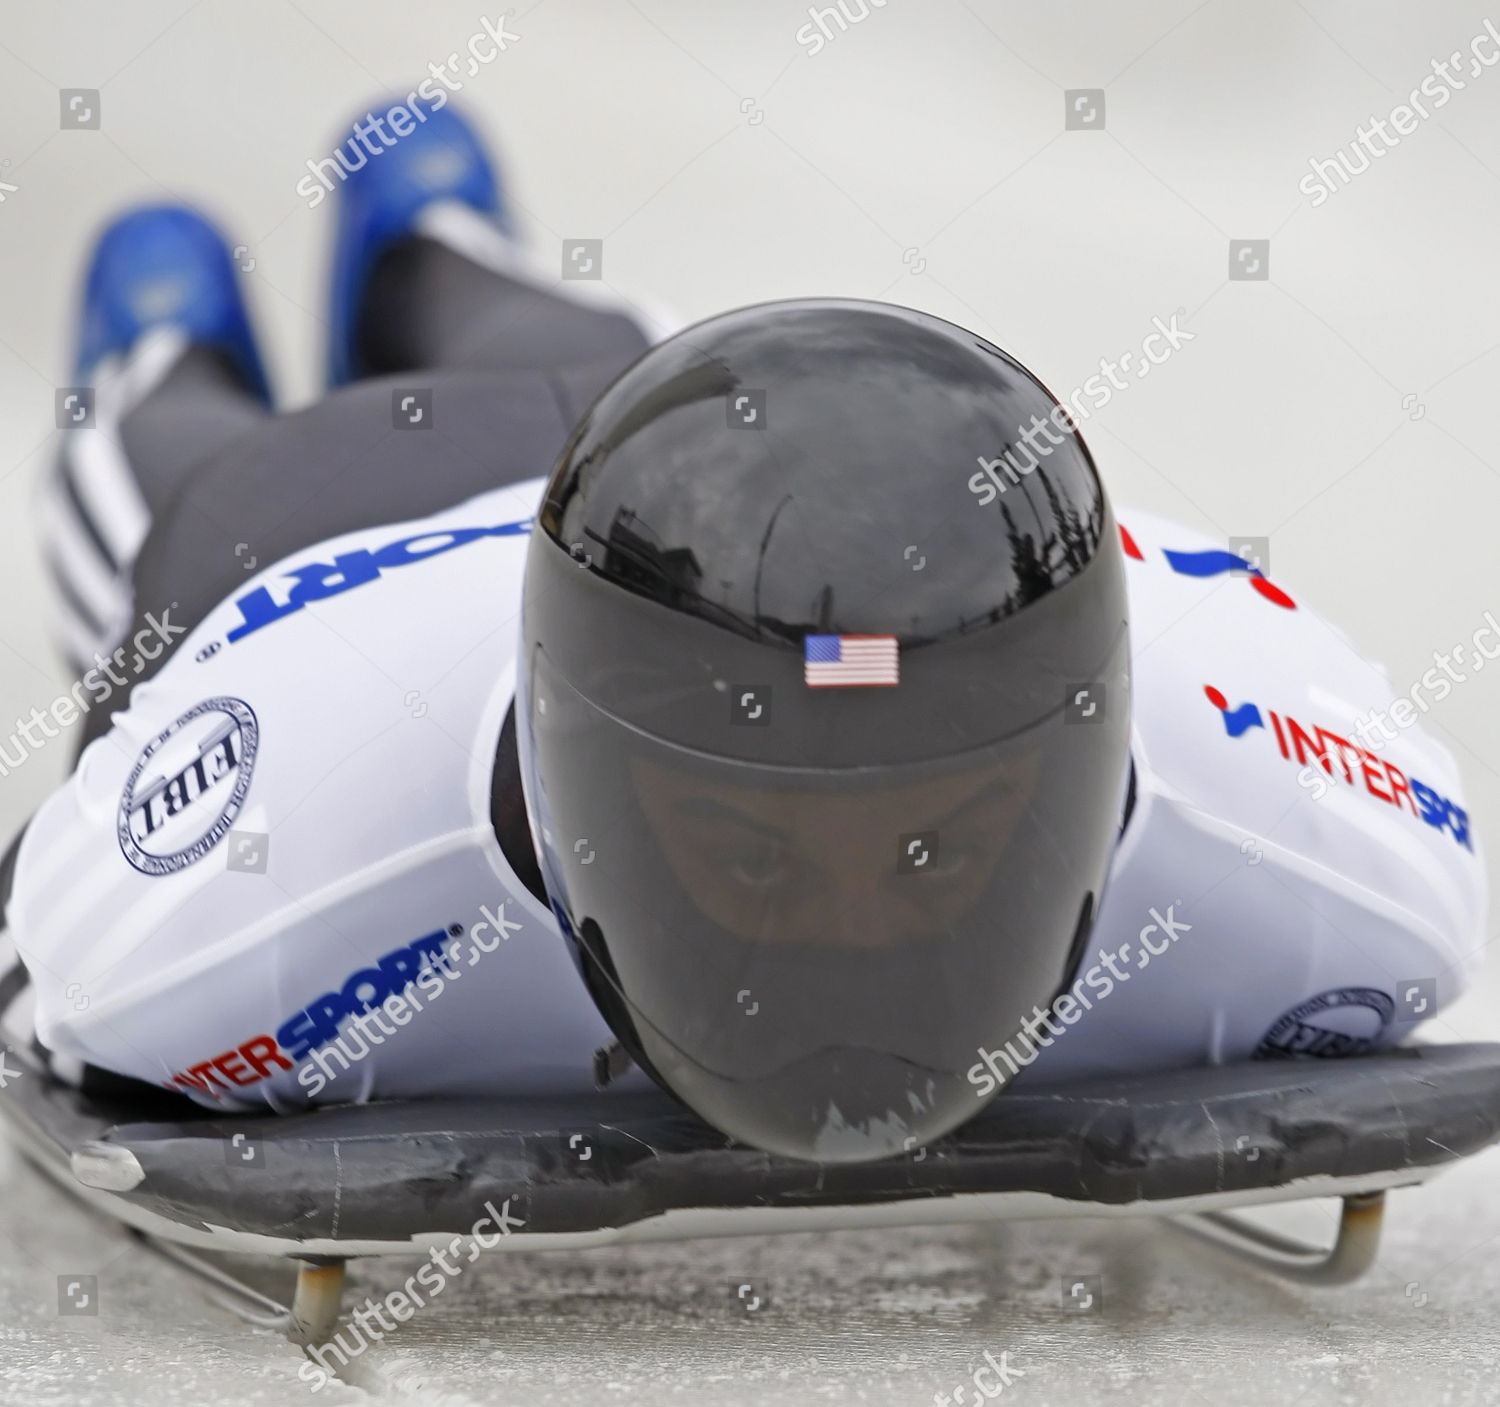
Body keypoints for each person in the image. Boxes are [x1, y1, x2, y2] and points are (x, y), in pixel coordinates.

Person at [0, 101, 1483, 1164]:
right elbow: (52, 970)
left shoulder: (1335, 849)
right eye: (757, 852)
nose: (847, 963)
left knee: (554, 335)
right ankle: (177, 316)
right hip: (313, 525)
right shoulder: (239, 895)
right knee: (155, 447)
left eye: (934, 846)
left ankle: (427, 219)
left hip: (660, 454)